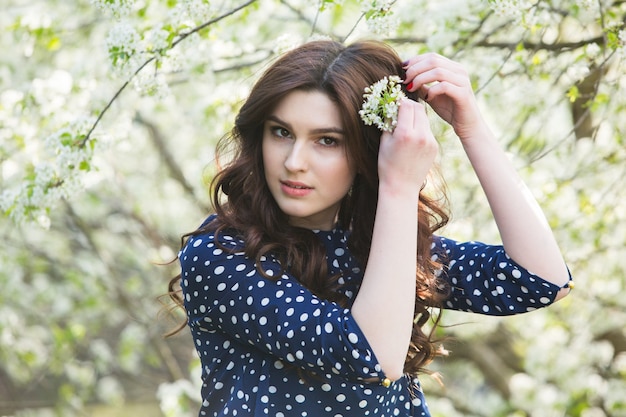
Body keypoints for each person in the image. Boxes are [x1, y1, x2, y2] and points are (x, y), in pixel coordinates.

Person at [168, 39, 572, 417]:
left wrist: (471, 128)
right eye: (282, 132)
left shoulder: (374, 244)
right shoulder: (221, 254)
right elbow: (370, 355)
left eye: (327, 141)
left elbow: (539, 281)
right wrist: (398, 187)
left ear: (368, 149)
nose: (293, 161)